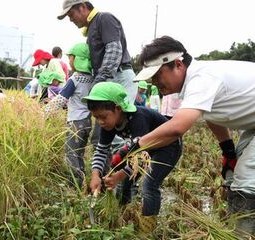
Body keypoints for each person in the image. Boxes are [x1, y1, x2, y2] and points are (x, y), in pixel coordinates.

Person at [134, 35, 255, 235]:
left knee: (247, 180)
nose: (154, 83)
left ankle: (242, 235)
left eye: (157, 75)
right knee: (235, 177)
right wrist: (228, 151)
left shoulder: (202, 78)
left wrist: (136, 146)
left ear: (178, 65)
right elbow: (212, 113)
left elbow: (176, 128)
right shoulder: (196, 80)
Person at [82, 82, 182, 233]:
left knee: (149, 185)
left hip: (168, 146)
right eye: (96, 118)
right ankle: (124, 214)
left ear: (118, 108)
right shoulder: (108, 124)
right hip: (145, 148)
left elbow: (141, 158)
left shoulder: (137, 119)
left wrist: (118, 176)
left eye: (103, 117)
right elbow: (101, 151)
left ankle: (147, 230)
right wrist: (95, 175)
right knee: (125, 183)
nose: (100, 122)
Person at [57, 0, 137, 103]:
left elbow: (114, 51)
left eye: (71, 14)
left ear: (83, 7)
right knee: (105, 117)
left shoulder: (104, 18)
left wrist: (99, 81)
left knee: (120, 115)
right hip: (108, 78)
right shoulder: (90, 29)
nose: (71, 19)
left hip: (119, 76)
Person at [45, 42, 93, 187]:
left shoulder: (75, 79)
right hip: (87, 121)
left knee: (71, 153)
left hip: (75, 122)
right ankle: (82, 181)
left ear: (79, 59)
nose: (69, 61)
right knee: (79, 153)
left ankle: (75, 185)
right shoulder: (92, 79)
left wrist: (45, 112)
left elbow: (61, 99)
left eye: (71, 58)